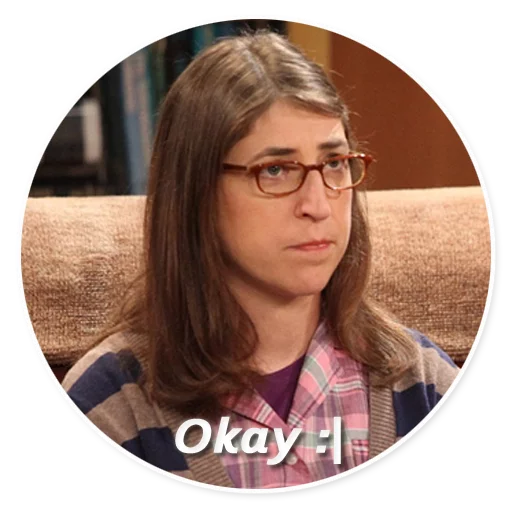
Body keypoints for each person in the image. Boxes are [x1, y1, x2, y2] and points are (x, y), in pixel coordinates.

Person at [62, 30, 459, 489]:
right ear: (196, 193)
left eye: (334, 163)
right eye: (275, 170)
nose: (318, 205)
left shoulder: (422, 384)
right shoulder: (109, 405)